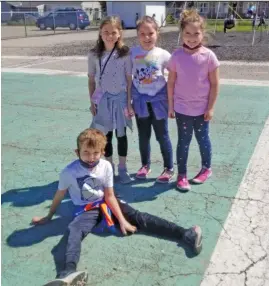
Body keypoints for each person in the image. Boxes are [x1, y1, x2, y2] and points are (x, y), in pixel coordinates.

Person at [32, 128, 203, 286]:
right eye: (86, 152)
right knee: (74, 230)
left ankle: (185, 233)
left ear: (103, 152)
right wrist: (49, 216)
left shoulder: (105, 166)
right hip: (87, 210)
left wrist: (122, 221)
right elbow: (59, 195)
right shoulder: (69, 172)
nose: (91, 157)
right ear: (77, 152)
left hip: (108, 202)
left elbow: (110, 196)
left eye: (95, 153)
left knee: (140, 218)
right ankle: (68, 272)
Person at [167, 9, 220, 191]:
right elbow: (171, 83)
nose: (191, 37)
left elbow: (214, 84)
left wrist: (210, 108)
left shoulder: (209, 57)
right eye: (187, 33)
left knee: (203, 139)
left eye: (196, 33)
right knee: (183, 141)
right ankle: (182, 175)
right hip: (182, 109)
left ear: (202, 34)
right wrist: (171, 106)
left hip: (202, 109)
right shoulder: (176, 57)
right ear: (182, 33)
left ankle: (206, 168)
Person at [88, 16, 134, 184]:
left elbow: (129, 80)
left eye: (113, 32)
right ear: (100, 33)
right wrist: (92, 102)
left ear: (119, 33)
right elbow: (91, 80)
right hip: (103, 101)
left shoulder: (125, 53)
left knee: (121, 134)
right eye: (106, 32)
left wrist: (129, 102)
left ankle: (123, 168)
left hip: (121, 100)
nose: (109, 35)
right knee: (105, 135)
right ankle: (108, 167)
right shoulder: (94, 54)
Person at [131, 16, 174, 184]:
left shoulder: (163, 55)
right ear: (137, 35)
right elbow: (127, 78)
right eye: (142, 34)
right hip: (140, 103)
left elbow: (176, 75)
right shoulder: (132, 53)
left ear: (157, 33)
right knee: (143, 136)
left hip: (159, 103)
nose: (147, 37)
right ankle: (145, 166)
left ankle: (169, 167)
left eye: (151, 33)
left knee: (162, 136)